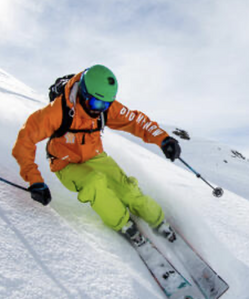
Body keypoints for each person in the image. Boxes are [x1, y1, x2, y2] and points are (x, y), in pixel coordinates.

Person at [12, 64, 181, 247]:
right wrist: (35, 180)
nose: (100, 109)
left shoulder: (104, 108)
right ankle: (123, 224)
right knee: (94, 183)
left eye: (106, 105)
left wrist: (163, 139)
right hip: (65, 164)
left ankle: (158, 220)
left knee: (127, 190)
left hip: (95, 156)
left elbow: (135, 121)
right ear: (83, 94)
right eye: (96, 104)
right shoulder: (57, 112)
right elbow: (24, 141)